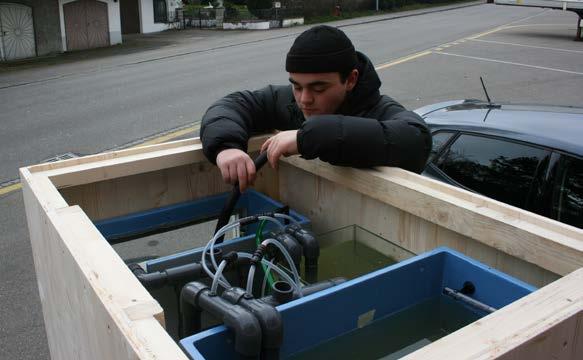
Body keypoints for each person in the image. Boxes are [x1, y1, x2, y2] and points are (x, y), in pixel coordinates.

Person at [201, 25, 432, 191]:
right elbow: (232, 105)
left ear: (351, 80)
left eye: (318, 88)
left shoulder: (381, 110)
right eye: (297, 86)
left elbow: (416, 140)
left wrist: (306, 137)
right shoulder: (292, 100)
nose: (304, 100)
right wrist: (226, 147)